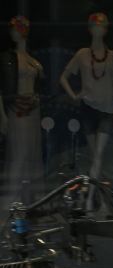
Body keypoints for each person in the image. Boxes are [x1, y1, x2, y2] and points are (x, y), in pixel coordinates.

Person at [59, 12, 113, 208]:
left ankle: (91, 198)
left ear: (106, 29)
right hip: (88, 109)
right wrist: (75, 95)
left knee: (98, 156)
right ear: (90, 28)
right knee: (95, 157)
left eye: (102, 25)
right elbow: (63, 77)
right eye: (95, 25)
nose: (99, 28)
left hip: (107, 110)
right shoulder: (82, 54)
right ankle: (100, 195)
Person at [0, 16, 44, 204]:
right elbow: (2, 90)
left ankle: (29, 200)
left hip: (33, 111)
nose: (13, 32)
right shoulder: (6, 58)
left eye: (17, 28)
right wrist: (2, 117)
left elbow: (39, 85)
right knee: (18, 154)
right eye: (12, 28)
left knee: (32, 154)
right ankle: (12, 201)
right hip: (17, 110)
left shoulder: (33, 60)